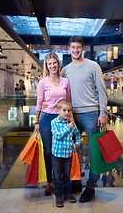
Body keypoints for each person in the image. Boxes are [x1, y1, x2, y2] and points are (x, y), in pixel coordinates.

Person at [61, 36, 108, 203]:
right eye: (73, 47)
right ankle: (75, 182)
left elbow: (101, 91)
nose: (75, 50)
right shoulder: (65, 70)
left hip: (91, 114)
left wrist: (102, 113)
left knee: (94, 152)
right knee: (70, 151)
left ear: (83, 49)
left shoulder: (93, 66)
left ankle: (90, 188)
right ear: (69, 49)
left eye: (78, 47)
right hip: (71, 115)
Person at [34, 53, 71, 196]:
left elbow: (68, 102)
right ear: (46, 66)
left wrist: (71, 120)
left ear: (58, 64)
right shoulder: (43, 82)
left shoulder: (65, 82)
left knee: (60, 152)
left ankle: (59, 182)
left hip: (61, 120)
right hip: (46, 119)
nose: (52, 66)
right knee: (48, 151)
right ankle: (50, 182)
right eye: (49, 64)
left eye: (54, 63)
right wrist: (36, 122)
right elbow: (39, 103)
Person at [51, 99, 81, 207]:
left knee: (68, 175)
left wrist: (77, 143)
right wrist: (68, 127)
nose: (67, 113)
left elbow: (77, 134)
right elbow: (58, 136)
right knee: (58, 175)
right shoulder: (54, 122)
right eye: (64, 110)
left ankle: (69, 194)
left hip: (68, 155)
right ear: (58, 111)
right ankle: (59, 195)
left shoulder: (71, 123)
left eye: (69, 110)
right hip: (57, 155)